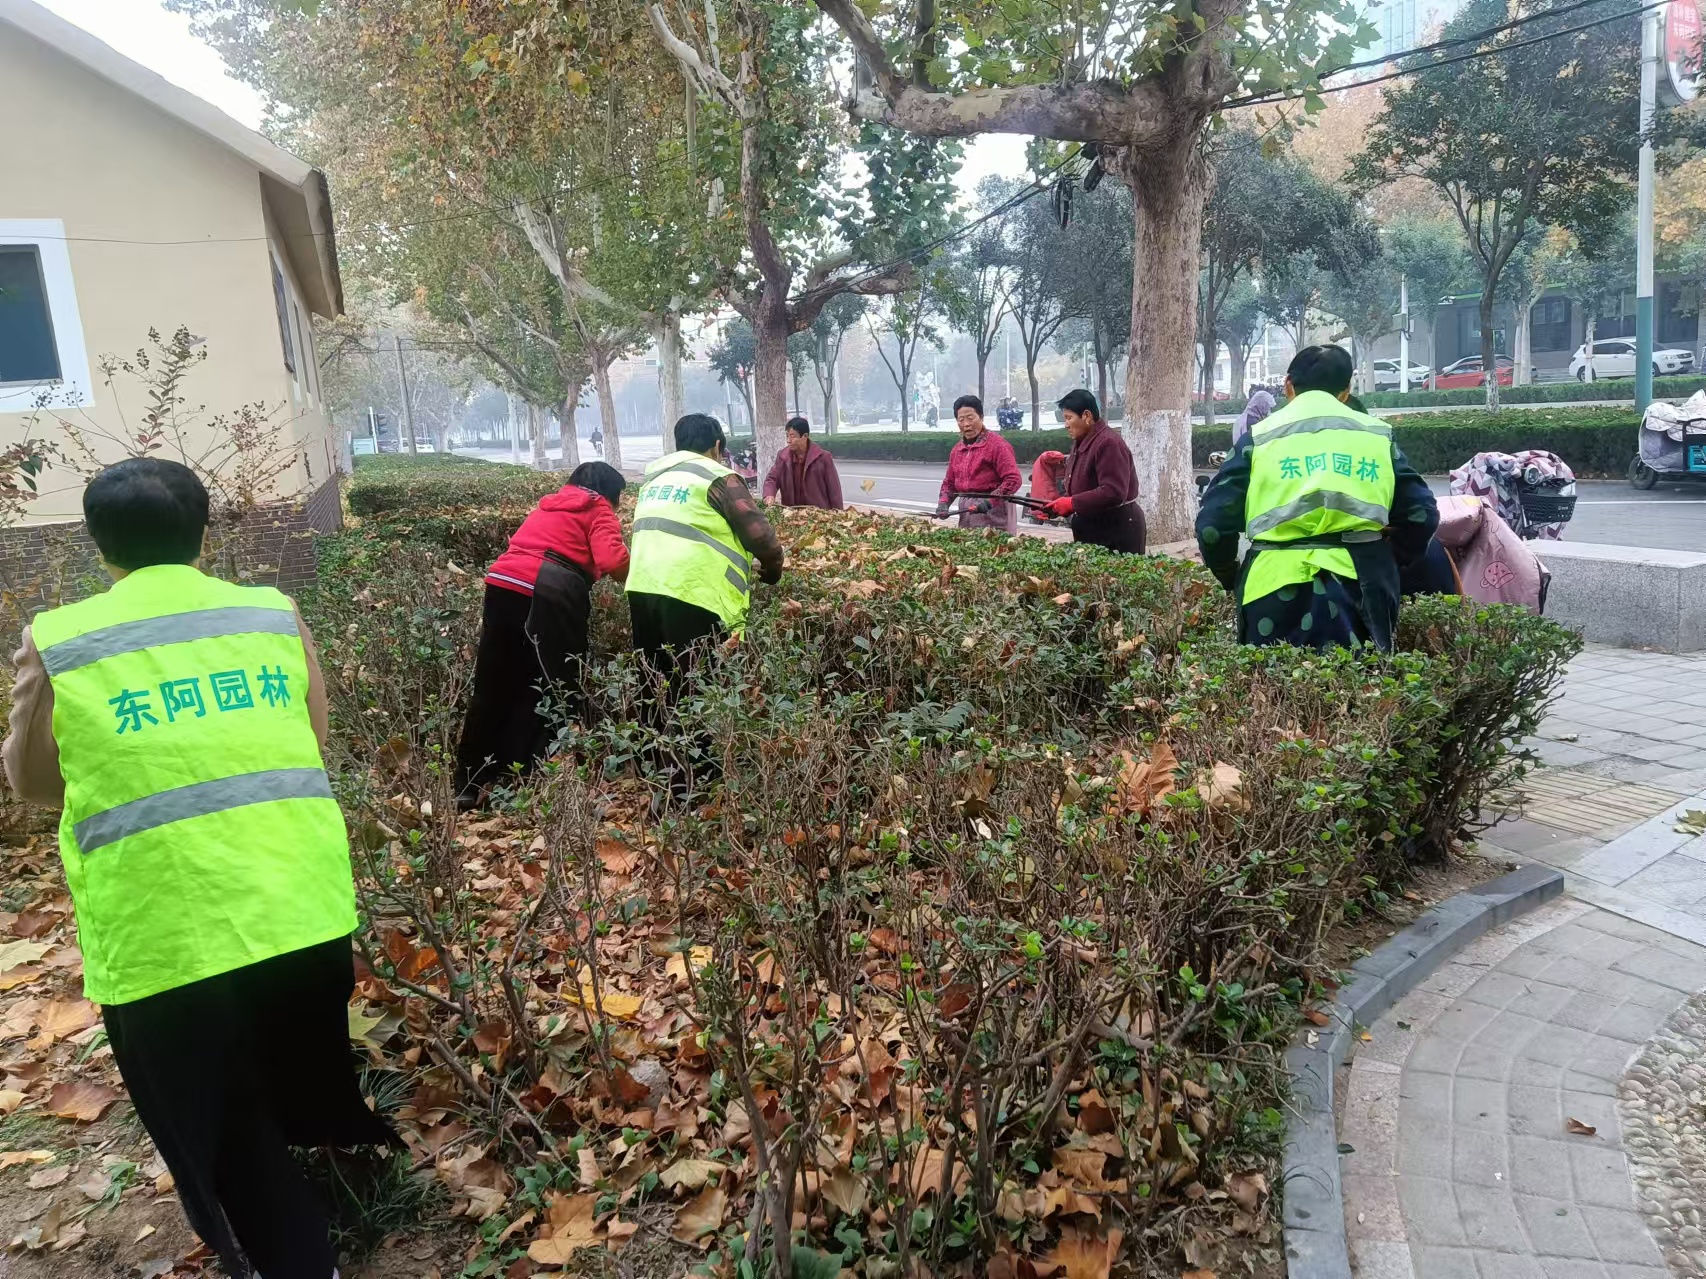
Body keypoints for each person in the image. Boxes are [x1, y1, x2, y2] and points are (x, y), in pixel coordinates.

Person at [1, 458, 391, 1279]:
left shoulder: (60, 638)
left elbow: (33, 781)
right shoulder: (270, 612)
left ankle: (295, 1251)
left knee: (228, 1129)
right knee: (286, 1078)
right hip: (301, 907)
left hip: (167, 938)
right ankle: (324, 1205)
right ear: (204, 530)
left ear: (98, 542)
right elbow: (312, 735)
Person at [1195, 344, 1439, 650]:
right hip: (1363, 585)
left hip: (1270, 588)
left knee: (1272, 679)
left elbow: (1212, 528)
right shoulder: (1377, 436)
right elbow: (1422, 515)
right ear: (1347, 390)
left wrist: (1230, 575)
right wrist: (1388, 556)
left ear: (1288, 385)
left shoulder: (1258, 439)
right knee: (1364, 679)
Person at [455, 460, 629, 808]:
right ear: (609, 494)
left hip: (502, 584)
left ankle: (468, 782)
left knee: (494, 683)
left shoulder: (548, 505)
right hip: (549, 591)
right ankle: (520, 772)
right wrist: (637, 575)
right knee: (552, 683)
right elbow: (613, 561)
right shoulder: (598, 508)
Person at [1039, 389, 1146, 554]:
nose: (1065, 424)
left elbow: (1114, 491)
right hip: (1091, 527)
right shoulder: (1081, 440)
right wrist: (1061, 504)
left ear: (1087, 416)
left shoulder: (1108, 443)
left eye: (1069, 418)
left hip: (1116, 529)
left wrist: (1072, 503)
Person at [936, 395, 1023, 532]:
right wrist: (943, 503)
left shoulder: (997, 445)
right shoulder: (957, 450)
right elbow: (950, 483)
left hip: (995, 513)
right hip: (967, 514)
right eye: (961, 420)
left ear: (981, 417)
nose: (966, 424)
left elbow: (1013, 479)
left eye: (970, 418)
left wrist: (991, 501)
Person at [762, 416, 845, 510]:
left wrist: (838, 512)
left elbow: (834, 490)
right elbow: (772, 478)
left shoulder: (823, 458)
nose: (788, 440)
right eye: (787, 436)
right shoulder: (783, 457)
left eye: (793, 436)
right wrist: (769, 495)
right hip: (791, 513)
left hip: (817, 513)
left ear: (805, 436)